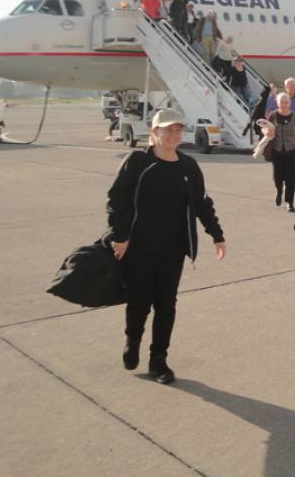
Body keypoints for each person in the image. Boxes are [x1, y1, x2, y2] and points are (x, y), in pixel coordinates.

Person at [106, 108, 226, 384]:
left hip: (173, 249)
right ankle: (133, 339)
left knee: (166, 304)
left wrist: (217, 235)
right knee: (139, 301)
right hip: (138, 246)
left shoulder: (188, 166)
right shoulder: (138, 161)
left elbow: (202, 204)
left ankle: (158, 359)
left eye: (177, 130)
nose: (173, 134)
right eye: (167, 130)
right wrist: (120, 236)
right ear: (154, 132)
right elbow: (117, 199)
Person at [267, 92, 295, 212]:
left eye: (286, 102)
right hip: (277, 151)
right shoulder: (272, 115)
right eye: (281, 102)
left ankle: (289, 202)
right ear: (277, 103)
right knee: (277, 177)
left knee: (290, 178)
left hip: (292, 151)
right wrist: (267, 132)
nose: (284, 105)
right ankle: (279, 190)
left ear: (289, 103)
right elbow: (265, 128)